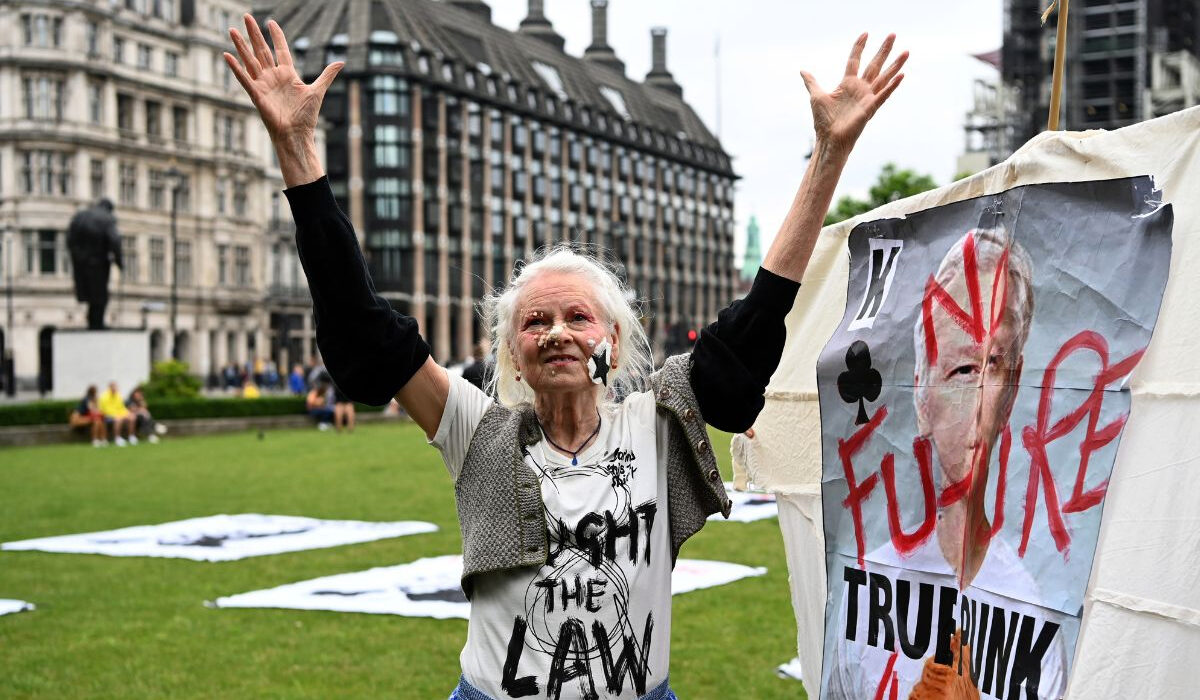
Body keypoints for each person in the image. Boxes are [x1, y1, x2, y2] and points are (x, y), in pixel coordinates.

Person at [226, 15, 904, 698]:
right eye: (534, 322)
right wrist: (298, 153)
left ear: (611, 341)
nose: (555, 333)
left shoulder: (659, 423)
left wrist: (828, 157)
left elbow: (752, 326)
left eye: (577, 317)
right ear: (513, 355)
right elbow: (365, 332)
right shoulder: (476, 430)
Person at [826, 229, 1068, 699]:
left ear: (1014, 388)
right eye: (962, 370)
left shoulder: (1034, 610)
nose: (979, 401)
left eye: (995, 363)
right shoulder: (867, 589)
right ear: (922, 396)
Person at [66, 198, 122, 330]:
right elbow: (115, 240)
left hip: (80, 263)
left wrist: (77, 256)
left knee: (90, 295)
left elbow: (69, 238)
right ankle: (97, 323)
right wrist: (119, 261)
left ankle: (92, 322)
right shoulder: (107, 218)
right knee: (100, 295)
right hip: (98, 263)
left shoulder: (80, 216)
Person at [98, 381, 136, 446]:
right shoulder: (104, 396)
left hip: (119, 414)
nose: (115, 388)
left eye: (116, 387)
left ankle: (131, 436)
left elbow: (122, 407)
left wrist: (127, 413)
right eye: (114, 387)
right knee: (118, 419)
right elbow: (105, 410)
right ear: (110, 387)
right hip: (108, 415)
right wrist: (117, 415)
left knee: (132, 417)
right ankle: (117, 438)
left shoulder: (118, 395)